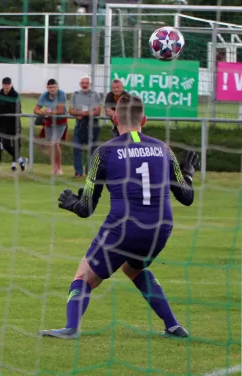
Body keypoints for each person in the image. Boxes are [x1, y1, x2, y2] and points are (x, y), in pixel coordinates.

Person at [38, 94, 199, 340]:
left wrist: (72, 203)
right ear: (143, 120)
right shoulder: (163, 149)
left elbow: (86, 208)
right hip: (160, 228)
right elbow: (186, 197)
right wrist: (188, 174)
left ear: (114, 117)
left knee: (83, 276)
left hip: (124, 226)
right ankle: (173, 325)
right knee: (133, 269)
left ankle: (71, 327)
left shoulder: (104, 152)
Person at [69, 76, 101, 177]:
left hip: (92, 124)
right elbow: (70, 110)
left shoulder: (95, 95)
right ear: (80, 84)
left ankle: (89, 171)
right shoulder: (75, 94)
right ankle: (78, 171)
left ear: (90, 84)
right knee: (76, 147)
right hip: (80, 125)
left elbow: (97, 111)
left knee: (92, 149)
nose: (85, 85)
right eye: (83, 83)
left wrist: (82, 114)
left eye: (86, 83)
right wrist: (86, 113)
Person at [33, 78, 67, 175]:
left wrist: (50, 112)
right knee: (51, 144)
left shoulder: (61, 94)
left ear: (57, 87)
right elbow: (35, 109)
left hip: (60, 121)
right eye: (50, 87)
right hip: (49, 121)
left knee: (55, 143)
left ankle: (59, 167)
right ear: (47, 88)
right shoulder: (44, 95)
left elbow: (60, 111)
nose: (52, 89)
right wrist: (42, 112)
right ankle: (54, 167)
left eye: (54, 87)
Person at [0, 77, 26, 172]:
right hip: (4, 124)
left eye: (8, 84)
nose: (6, 85)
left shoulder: (15, 95)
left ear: (11, 84)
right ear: (2, 84)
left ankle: (14, 163)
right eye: (5, 84)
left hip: (15, 123)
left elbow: (17, 109)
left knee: (16, 143)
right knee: (5, 144)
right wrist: (7, 107)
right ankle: (21, 159)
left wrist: (4, 108)